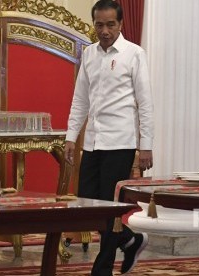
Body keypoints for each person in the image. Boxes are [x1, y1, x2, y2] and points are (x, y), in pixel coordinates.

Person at [64, 1, 154, 275]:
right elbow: (80, 100)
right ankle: (130, 239)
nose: (104, 30)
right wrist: (71, 137)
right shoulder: (89, 55)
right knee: (89, 205)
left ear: (121, 24)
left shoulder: (134, 54)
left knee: (110, 208)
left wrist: (145, 146)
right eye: (99, 25)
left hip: (121, 143)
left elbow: (145, 103)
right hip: (93, 142)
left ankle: (101, 268)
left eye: (110, 25)